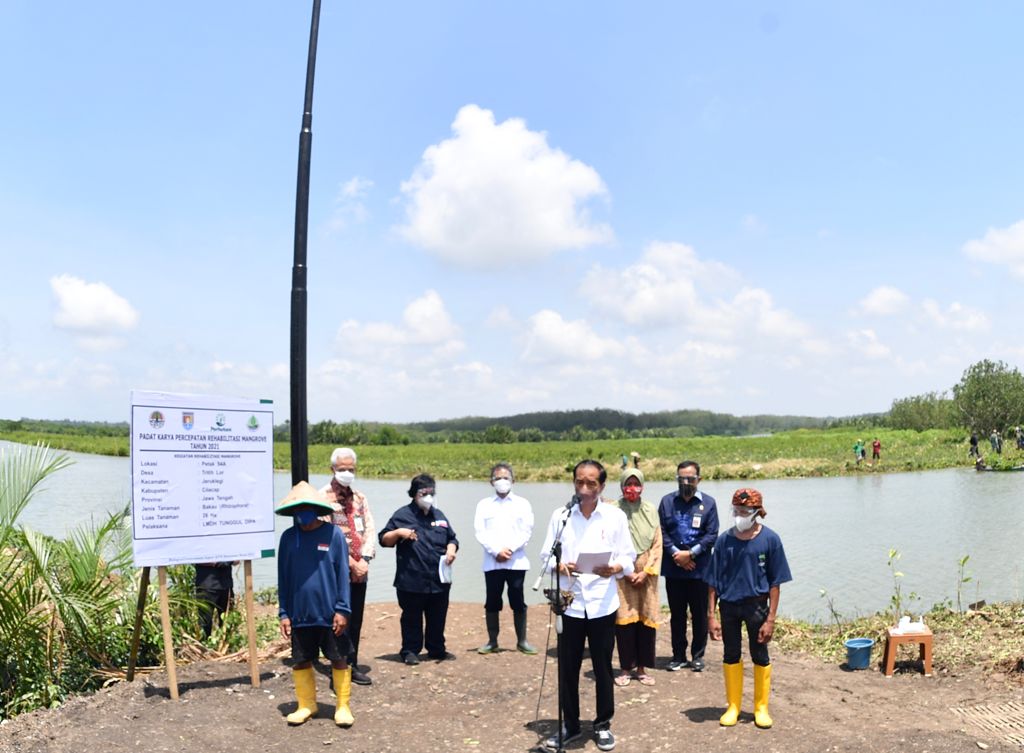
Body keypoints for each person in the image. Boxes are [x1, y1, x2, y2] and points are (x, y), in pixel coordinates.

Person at [541, 459, 636, 752]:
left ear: (602, 486)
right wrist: (560, 566)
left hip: (602, 604)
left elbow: (628, 557)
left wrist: (615, 567)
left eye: (591, 483)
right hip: (569, 603)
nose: (584, 488)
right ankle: (570, 725)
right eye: (579, 482)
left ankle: (603, 724)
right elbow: (546, 556)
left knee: (602, 667)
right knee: (567, 667)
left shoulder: (615, 516)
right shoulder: (561, 516)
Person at [707, 488, 792, 730]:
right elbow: (712, 582)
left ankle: (760, 708)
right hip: (729, 606)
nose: (739, 515)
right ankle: (733, 706)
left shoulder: (770, 540)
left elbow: (775, 583)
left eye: (744, 511)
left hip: (757, 607)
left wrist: (770, 619)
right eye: (736, 510)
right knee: (731, 654)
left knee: (760, 655)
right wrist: (711, 616)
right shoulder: (724, 541)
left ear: (756, 512)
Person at [276, 481, 354, 727]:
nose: (303, 512)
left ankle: (342, 706)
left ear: (317, 509)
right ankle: (306, 704)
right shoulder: (289, 538)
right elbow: (283, 577)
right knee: (301, 659)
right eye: (298, 509)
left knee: (338, 658)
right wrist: (284, 613)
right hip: (300, 613)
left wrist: (343, 609)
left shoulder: (333, 534)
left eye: (307, 507)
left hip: (330, 613)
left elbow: (342, 573)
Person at [379, 474, 458, 665]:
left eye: (432, 492)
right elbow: (384, 540)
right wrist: (399, 532)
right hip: (411, 580)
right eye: (424, 493)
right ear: (414, 494)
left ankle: (436, 648)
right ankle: (410, 651)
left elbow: (452, 538)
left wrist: (451, 549)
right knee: (411, 618)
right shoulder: (403, 515)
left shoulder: (439, 516)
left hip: (438, 579)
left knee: (437, 617)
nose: (428, 496)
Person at [321, 447, 376, 686]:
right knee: (338, 619)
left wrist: (364, 560)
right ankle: (338, 668)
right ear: (332, 469)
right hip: (336, 572)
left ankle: (352, 664)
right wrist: (350, 563)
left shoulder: (360, 498)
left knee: (356, 619)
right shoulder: (322, 498)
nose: (347, 473)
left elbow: (370, 529)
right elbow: (325, 536)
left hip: (360, 572)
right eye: (342, 468)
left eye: (351, 469)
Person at [658, 460, 719, 672]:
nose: (686, 482)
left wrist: (690, 554)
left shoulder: (709, 503)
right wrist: (677, 554)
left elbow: (712, 535)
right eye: (681, 478)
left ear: (698, 479)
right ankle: (678, 656)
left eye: (690, 478)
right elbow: (661, 532)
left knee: (700, 615)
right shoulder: (667, 502)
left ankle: (698, 655)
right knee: (677, 615)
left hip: (700, 570)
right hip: (674, 568)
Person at [473, 462, 536, 655]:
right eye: (498, 478)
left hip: (516, 561)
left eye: (505, 478)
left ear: (513, 480)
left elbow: (527, 531)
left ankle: (522, 641)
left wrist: (510, 549)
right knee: (492, 600)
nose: (502, 481)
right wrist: (495, 551)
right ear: (491, 482)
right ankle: (492, 641)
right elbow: (480, 532)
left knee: (517, 599)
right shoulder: (483, 505)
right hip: (492, 562)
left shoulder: (523, 504)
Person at [612, 469, 661, 686]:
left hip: (647, 576)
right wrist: (627, 571)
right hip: (622, 576)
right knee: (624, 621)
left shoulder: (650, 510)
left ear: (642, 486)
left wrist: (646, 571)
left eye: (636, 484)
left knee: (646, 620)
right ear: (621, 485)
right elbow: (609, 543)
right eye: (628, 483)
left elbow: (657, 544)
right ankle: (625, 669)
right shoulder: (613, 510)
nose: (632, 488)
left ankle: (642, 669)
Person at [194, 562, 233, 638]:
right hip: (206, 586)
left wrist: (229, 561)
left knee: (228, 621)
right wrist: (216, 563)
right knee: (205, 623)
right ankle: (204, 643)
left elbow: (237, 561)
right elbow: (195, 558)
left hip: (226, 585)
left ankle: (227, 643)